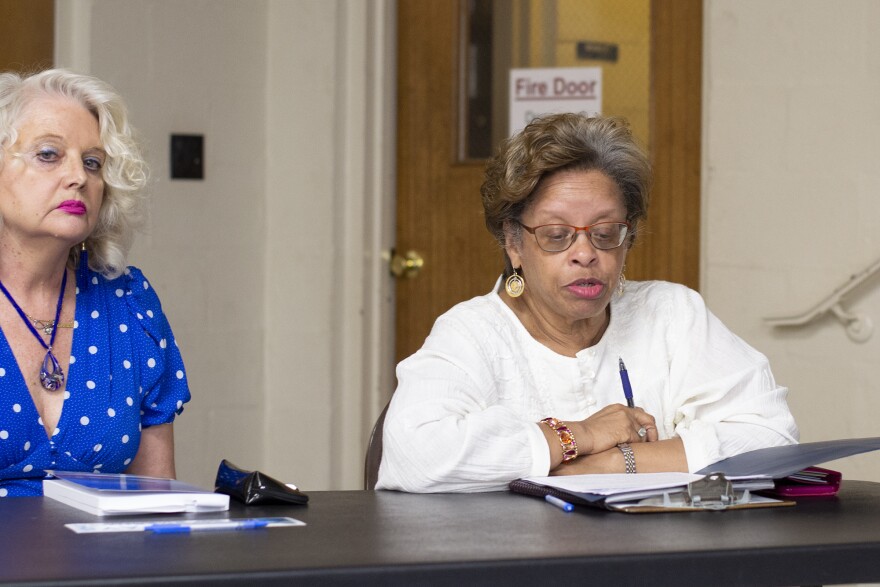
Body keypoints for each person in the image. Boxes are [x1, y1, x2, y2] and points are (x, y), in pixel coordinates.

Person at [377, 113, 798, 493]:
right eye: (557, 235)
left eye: (605, 232)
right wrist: (580, 435)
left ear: (628, 237)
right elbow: (415, 455)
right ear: (513, 242)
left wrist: (618, 462)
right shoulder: (472, 331)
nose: (585, 254)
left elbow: (771, 439)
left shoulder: (672, 314)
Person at [0, 69, 190, 497]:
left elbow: (157, 498)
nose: (78, 178)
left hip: (105, 562)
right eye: (49, 154)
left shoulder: (130, 303)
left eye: (93, 163)